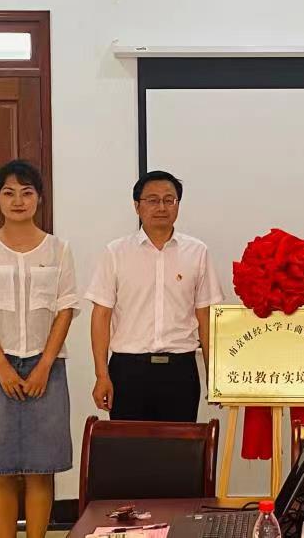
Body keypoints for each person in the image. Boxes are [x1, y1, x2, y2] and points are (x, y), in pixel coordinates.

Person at [0, 160, 78, 538]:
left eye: (27, 193)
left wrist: (44, 365)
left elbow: (65, 309)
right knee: (1, 469)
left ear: (39, 199)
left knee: (41, 468)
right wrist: (2, 366)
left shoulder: (58, 249)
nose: (18, 200)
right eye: (9, 193)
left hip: (46, 367)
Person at [86, 170, 224, 421]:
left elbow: (206, 318)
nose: (161, 207)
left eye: (169, 200)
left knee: (180, 444)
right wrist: (101, 375)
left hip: (180, 371)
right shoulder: (116, 252)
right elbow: (101, 316)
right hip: (128, 371)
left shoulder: (197, 252)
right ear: (137, 206)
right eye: (152, 200)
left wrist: (215, 377)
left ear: (177, 205)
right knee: (128, 444)